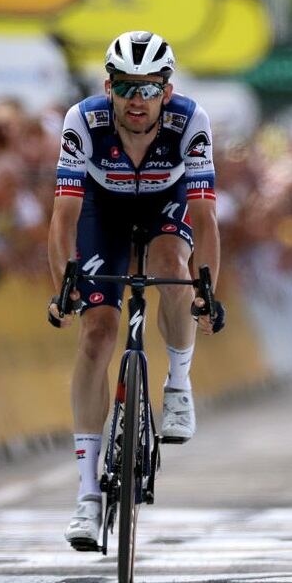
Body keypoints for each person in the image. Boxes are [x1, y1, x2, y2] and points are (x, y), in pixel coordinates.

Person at [48, 31, 225, 550]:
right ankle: (87, 496)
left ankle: (179, 384)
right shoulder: (83, 121)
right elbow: (63, 217)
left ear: (166, 91)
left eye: (148, 89)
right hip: (102, 211)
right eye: (126, 87)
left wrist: (207, 291)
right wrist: (64, 285)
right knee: (97, 335)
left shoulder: (190, 120)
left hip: (166, 204)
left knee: (172, 265)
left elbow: (206, 219)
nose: (137, 100)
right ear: (109, 87)